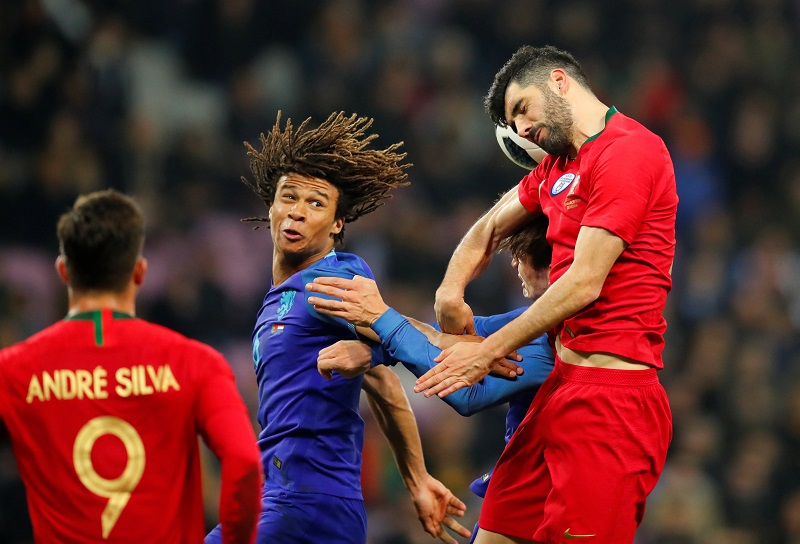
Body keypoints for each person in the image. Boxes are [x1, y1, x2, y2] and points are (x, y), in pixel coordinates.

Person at [416, 45, 677, 544]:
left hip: (611, 400)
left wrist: (486, 352)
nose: (519, 130)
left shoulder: (629, 150)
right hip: (560, 387)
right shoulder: (557, 167)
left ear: (559, 81)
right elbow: (489, 227)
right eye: (510, 124)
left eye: (521, 109)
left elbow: (584, 282)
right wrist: (449, 291)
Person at [205, 111, 470, 544]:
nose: (297, 212)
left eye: (316, 203)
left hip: (307, 503)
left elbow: (391, 336)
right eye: (288, 197)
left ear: (337, 223)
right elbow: (384, 385)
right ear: (270, 206)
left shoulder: (334, 276)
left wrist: (460, 346)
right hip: (291, 500)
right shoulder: (278, 298)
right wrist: (417, 479)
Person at [0, 189, 262, 543]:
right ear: (139, 272)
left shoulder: (13, 370)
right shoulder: (195, 363)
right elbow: (244, 462)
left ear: (63, 272)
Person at [308, 215, 555, 544]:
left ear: (546, 264)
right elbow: (444, 337)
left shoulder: (562, 337)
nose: (514, 264)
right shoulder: (531, 319)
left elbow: (469, 394)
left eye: (519, 254)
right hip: (528, 477)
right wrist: (376, 350)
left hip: (552, 486)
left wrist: (382, 318)